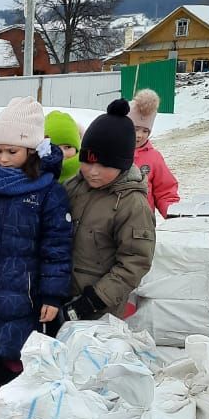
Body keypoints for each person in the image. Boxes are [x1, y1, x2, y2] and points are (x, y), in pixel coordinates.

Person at [0, 97, 72, 416]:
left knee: (15, 367)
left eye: (11, 151)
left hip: (24, 299)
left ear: (31, 151)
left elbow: (57, 246)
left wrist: (52, 295)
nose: (2, 158)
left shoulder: (48, 192)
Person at [64, 98, 156, 321]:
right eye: (87, 161)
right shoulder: (73, 186)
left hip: (100, 311)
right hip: (60, 299)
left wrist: (94, 300)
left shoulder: (132, 204)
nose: (93, 171)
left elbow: (135, 262)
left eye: (105, 165)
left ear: (122, 165)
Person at [128, 88, 180, 218]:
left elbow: (165, 191)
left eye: (145, 131)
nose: (139, 135)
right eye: (135, 129)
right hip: (111, 223)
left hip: (142, 225)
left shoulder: (154, 157)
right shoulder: (111, 151)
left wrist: (171, 211)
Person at [44, 110, 82, 184]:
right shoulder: (32, 176)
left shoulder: (89, 178)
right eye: (54, 147)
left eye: (67, 147)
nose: (62, 153)